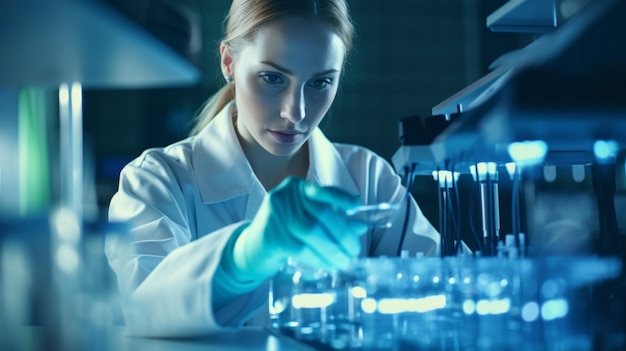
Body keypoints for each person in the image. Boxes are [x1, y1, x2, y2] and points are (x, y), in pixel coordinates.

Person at [105, 0, 441, 338]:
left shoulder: (369, 178)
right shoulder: (158, 180)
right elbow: (142, 308)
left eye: (320, 83)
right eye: (272, 78)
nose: (295, 112)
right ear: (228, 62)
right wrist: (245, 254)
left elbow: (445, 291)